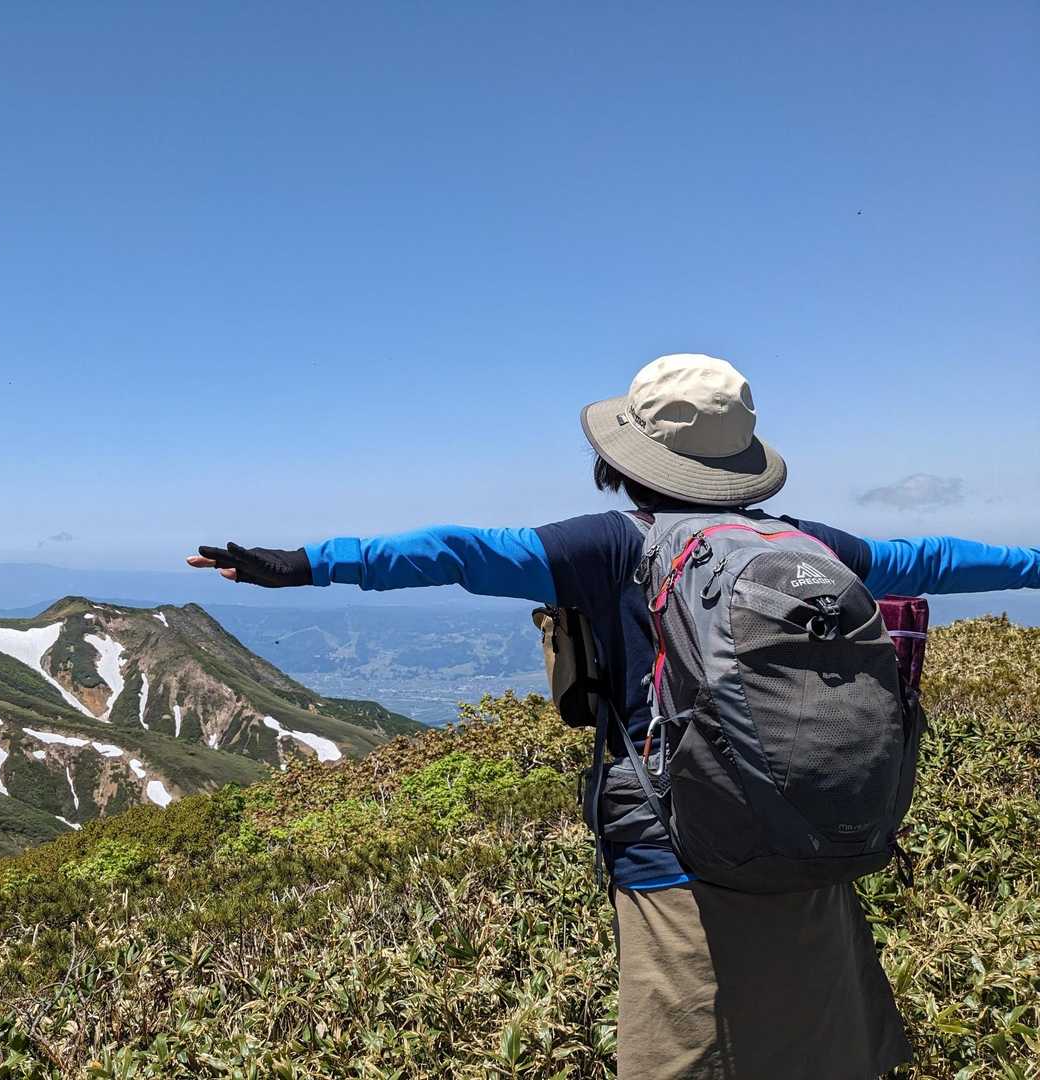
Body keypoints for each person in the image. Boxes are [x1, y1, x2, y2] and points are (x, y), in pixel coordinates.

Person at [187, 353, 1040, 1079]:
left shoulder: (610, 546)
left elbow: (457, 551)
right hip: (813, 828)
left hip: (676, 848)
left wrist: (306, 564)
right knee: (814, 1044)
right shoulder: (808, 545)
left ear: (625, 459)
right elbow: (936, 559)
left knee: (686, 1047)